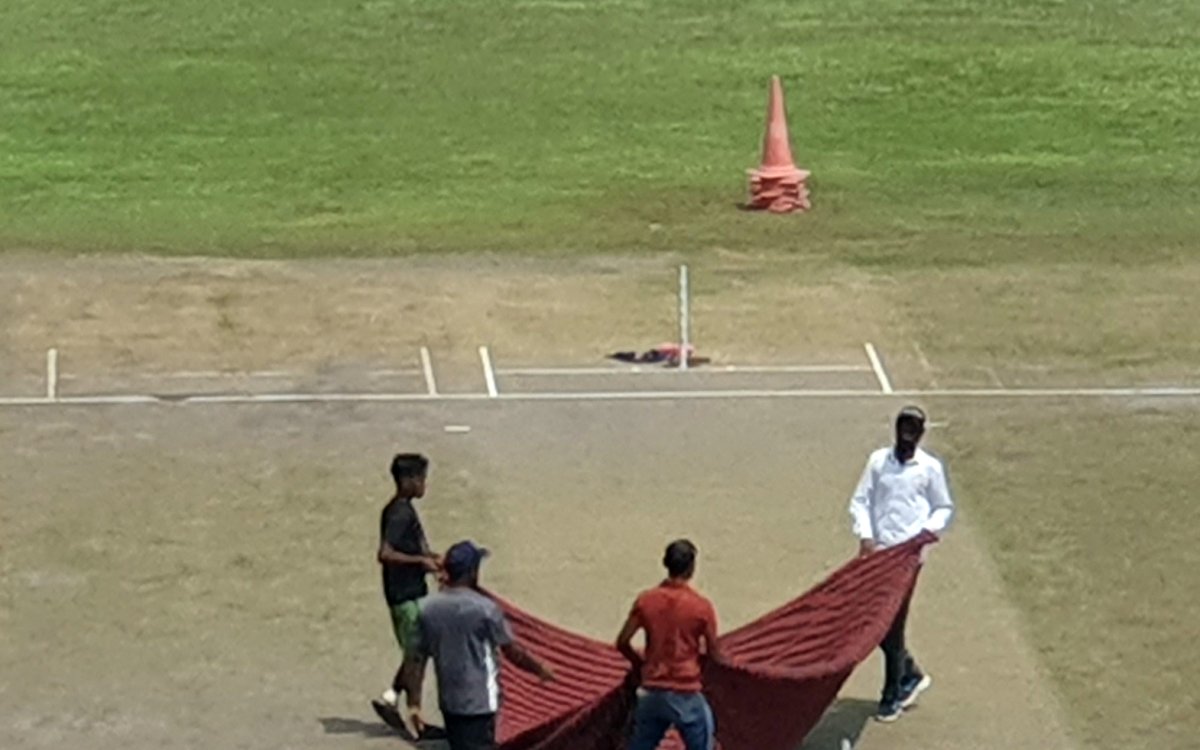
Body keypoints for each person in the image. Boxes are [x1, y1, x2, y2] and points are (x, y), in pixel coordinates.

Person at [848, 406, 955, 722]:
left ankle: (892, 693)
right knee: (874, 620)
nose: (906, 436)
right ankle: (910, 674)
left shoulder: (929, 468)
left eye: (913, 430)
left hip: (908, 559)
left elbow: (943, 507)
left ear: (921, 434)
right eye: (903, 428)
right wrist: (866, 537)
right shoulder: (878, 462)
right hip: (879, 555)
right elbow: (860, 500)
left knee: (891, 626)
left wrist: (925, 534)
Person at [417, 540, 555, 750]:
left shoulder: (428, 608)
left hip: (449, 701)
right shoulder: (485, 609)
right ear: (472, 572)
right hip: (480, 702)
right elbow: (512, 651)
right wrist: (539, 669)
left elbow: (416, 658)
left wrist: (413, 703)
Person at [615, 539, 722, 750]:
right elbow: (714, 653)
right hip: (686, 692)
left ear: (666, 564)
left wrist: (641, 665)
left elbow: (622, 642)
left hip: (652, 691)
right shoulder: (701, 607)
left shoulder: (646, 601)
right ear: (692, 568)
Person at [371, 453, 442, 737]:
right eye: (422, 479)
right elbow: (385, 554)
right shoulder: (399, 513)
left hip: (413, 592)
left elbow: (417, 548)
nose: (425, 484)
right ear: (408, 481)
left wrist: (432, 559)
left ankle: (390, 699)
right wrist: (420, 563)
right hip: (404, 596)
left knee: (419, 650)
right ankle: (417, 722)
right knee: (416, 656)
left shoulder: (404, 510)